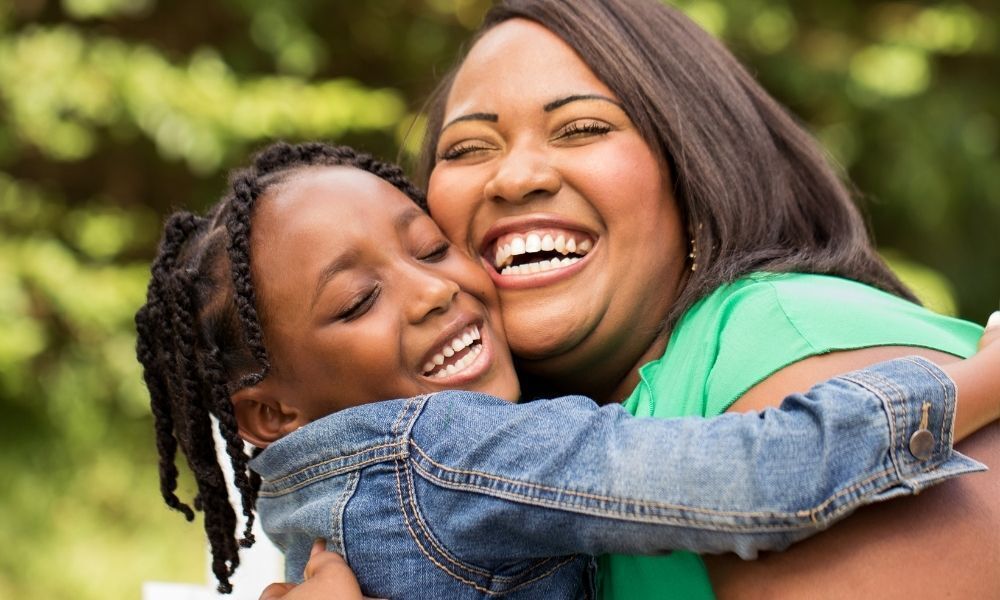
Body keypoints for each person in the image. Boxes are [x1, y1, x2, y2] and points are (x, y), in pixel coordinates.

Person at [135, 141, 996, 598]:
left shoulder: (316, 510)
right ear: (270, 415)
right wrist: (982, 381)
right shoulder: (441, 451)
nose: (436, 292)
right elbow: (753, 482)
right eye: (358, 302)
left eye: (432, 247)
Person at [408, 1, 1000, 597]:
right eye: (465, 148)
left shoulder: (777, 340)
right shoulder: (499, 466)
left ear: (696, 172)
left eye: (583, 129)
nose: (514, 178)